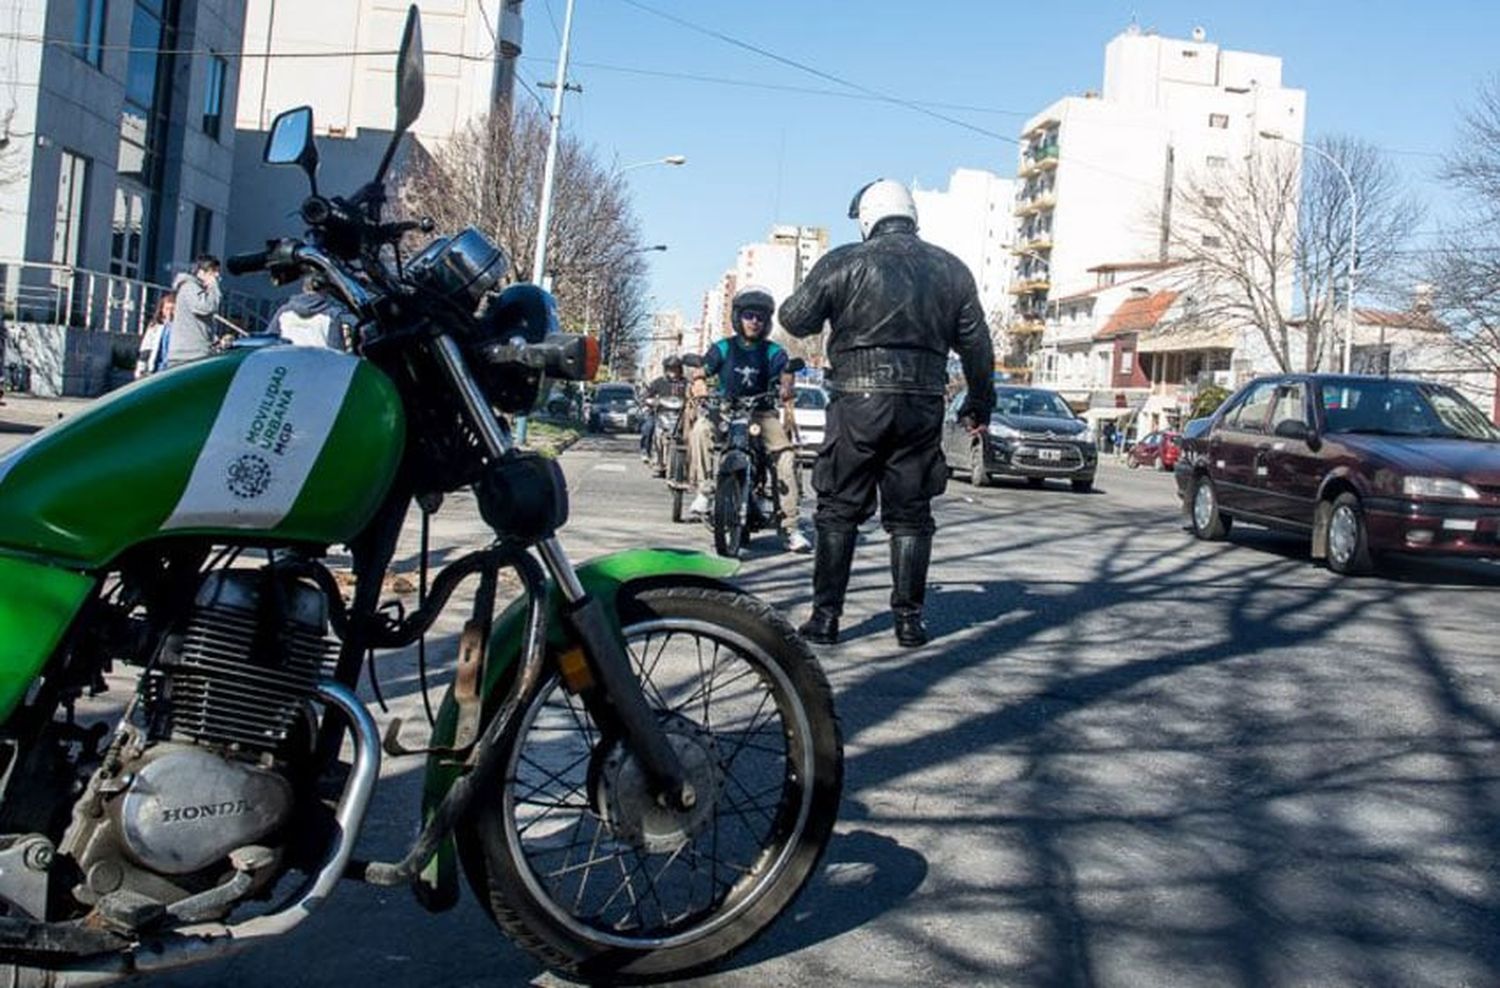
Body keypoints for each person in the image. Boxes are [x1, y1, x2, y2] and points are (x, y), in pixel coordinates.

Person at [779, 178, 995, 647]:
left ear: (866, 219)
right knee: (911, 514)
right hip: (921, 404)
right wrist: (981, 402)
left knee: (838, 509)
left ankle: (826, 618)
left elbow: (796, 318)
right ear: (912, 215)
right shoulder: (952, 270)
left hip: (857, 402)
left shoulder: (844, 261)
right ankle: (909, 622)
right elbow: (978, 345)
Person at [687, 286, 811, 553]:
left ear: (767, 322)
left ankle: (790, 528)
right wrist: (698, 380)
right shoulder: (723, 347)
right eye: (749, 315)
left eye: (760, 317)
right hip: (725, 410)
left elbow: (785, 371)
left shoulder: (772, 351)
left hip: (761, 413)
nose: (754, 321)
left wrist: (787, 384)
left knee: (785, 457)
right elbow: (704, 366)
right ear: (738, 317)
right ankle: (706, 490)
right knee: (699, 429)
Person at [164, 255, 223, 367]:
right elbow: (205, 307)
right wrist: (214, 286)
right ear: (201, 272)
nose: (217, 275)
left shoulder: (196, 289)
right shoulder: (190, 287)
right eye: (213, 271)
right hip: (188, 355)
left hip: (193, 354)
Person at [268, 275, 351, 349]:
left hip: (287, 364)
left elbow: (269, 341)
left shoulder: (284, 312)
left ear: (304, 288)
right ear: (326, 290)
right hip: (320, 364)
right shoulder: (332, 315)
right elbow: (336, 352)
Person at [640, 355, 688, 474]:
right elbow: (647, 395)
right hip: (662, 414)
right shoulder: (659, 382)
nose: (673, 372)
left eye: (676, 368)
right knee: (649, 426)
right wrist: (648, 401)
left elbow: (693, 396)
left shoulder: (686, 383)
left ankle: (688, 463)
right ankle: (649, 453)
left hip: (680, 416)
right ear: (666, 369)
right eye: (670, 369)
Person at [135, 294, 175, 378]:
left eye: (173, 309)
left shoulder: (181, 328)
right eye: (167, 309)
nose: (170, 313)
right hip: (156, 368)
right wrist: (141, 369)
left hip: (172, 368)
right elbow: (146, 348)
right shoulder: (155, 326)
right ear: (162, 310)